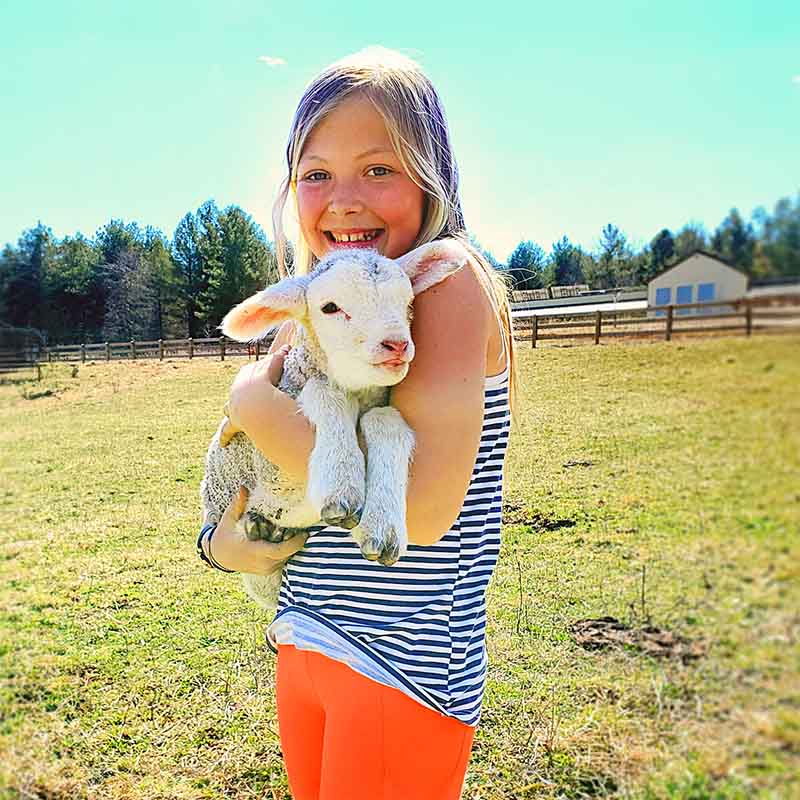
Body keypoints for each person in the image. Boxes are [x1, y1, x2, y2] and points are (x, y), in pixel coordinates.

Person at [197, 46, 516, 800]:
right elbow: (253, 475)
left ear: (432, 176)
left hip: (395, 662)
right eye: (315, 175)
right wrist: (222, 546)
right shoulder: (314, 314)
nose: (343, 199)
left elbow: (425, 511)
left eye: (379, 169)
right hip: (303, 642)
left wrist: (251, 401)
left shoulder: (444, 282)